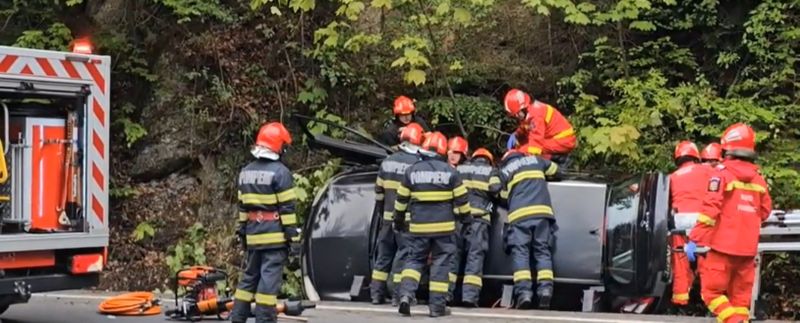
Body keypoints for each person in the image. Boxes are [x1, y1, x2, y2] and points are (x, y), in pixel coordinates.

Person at [686, 123, 772, 323]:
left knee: (711, 294)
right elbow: (765, 212)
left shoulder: (721, 174)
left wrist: (694, 239)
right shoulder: (759, 180)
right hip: (747, 251)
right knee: (740, 302)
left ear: (727, 149)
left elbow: (710, 210)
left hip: (722, 250)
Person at [395, 132, 471, 317]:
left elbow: (401, 201)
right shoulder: (451, 172)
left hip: (418, 228)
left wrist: (398, 221)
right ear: (444, 151)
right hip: (444, 229)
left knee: (414, 261)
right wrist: (467, 220)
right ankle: (437, 308)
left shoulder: (412, 171)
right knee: (441, 265)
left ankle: (405, 295)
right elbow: (462, 200)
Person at [231, 122, 300, 323]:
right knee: (268, 282)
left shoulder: (245, 172)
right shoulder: (281, 173)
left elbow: (243, 208)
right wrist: (292, 237)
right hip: (274, 238)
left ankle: (237, 317)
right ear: (278, 146)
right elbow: (287, 209)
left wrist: (243, 232)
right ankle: (264, 318)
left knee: (248, 279)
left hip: (253, 236)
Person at [370, 122, 424, 305]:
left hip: (386, 219)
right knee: (405, 257)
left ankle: (376, 294)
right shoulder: (417, 165)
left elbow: (378, 192)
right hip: (407, 221)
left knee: (383, 257)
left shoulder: (387, 161)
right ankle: (397, 295)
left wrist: (382, 212)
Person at [499, 148, 560, 309]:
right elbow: (556, 170)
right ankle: (546, 291)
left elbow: (497, 192)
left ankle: (524, 293)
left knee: (521, 252)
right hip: (542, 213)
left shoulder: (506, 169)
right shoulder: (536, 160)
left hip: (519, 216)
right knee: (543, 251)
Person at [456, 148, 501, 307]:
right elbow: (496, 190)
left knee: (451, 257)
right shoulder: (491, 171)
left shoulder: (459, 169)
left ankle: (444, 296)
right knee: (475, 257)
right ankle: (469, 297)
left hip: (458, 218)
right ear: (489, 160)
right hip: (479, 219)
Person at [668, 140, 711, 306]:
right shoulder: (706, 170)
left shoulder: (672, 177)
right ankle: (708, 296)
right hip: (701, 220)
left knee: (680, 258)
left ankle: (680, 297)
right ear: (696, 156)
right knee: (706, 258)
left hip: (679, 221)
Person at [503, 88, 577, 159]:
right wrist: (517, 135)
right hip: (556, 138)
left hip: (564, 140)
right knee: (523, 147)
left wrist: (521, 154)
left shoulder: (536, 116)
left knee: (527, 149)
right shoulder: (529, 111)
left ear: (521, 109)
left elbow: (536, 143)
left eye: (516, 114)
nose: (516, 117)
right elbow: (526, 127)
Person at [446, 135, 469, 301]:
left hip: (456, 222)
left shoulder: (463, 172)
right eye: (451, 151)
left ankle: (447, 294)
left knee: (452, 258)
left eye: (457, 153)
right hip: (442, 221)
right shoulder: (443, 170)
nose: (453, 155)